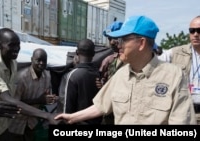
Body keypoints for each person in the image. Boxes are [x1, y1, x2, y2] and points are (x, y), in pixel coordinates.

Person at [55, 15, 196, 125]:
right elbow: (101, 105)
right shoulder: (121, 74)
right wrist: (72, 117)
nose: (118, 44)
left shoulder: (174, 76)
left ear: (141, 43)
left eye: (124, 40)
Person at [0, 28, 59, 141]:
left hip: (4, 125)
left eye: (18, 45)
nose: (16, 49)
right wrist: (46, 115)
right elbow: (8, 99)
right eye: (11, 45)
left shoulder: (13, 63)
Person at [8, 48, 58, 141]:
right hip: (16, 123)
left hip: (32, 122)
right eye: (38, 60)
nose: (41, 63)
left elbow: (44, 97)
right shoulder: (22, 77)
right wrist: (38, 100)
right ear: (32, 60)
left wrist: (50, 99)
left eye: (44, 60)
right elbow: (14, 104)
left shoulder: (47, 76)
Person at [158, 15, 200, 124]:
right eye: (192, 30)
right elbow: (152, 64)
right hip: (184, 115)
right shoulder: (176, 53)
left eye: (199, 31)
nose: (195, 34)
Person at [57, 39, 102, 125]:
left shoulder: (71, 76)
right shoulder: (98, 75)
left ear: (77, 52)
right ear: (93, 54)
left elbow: (64, 109)